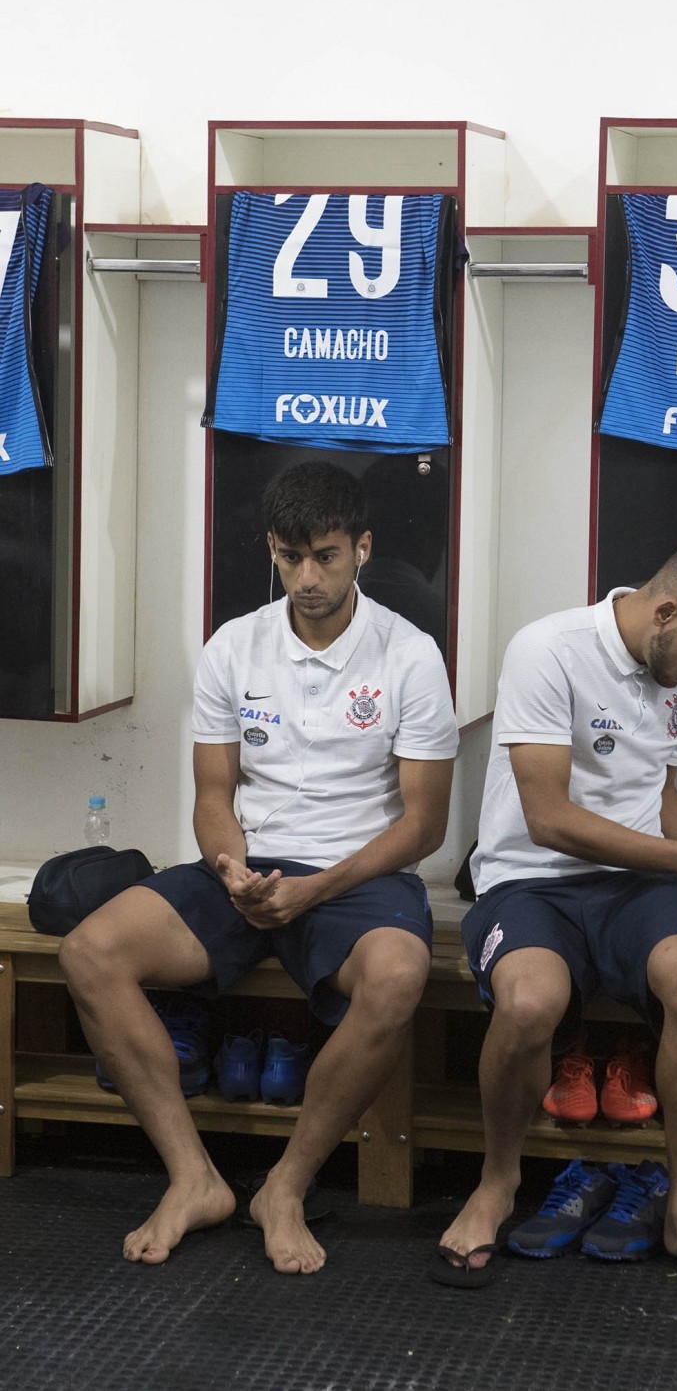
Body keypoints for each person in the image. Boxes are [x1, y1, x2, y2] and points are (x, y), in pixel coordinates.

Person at [60, 460, 458, 1275]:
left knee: (398, 974)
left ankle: (285, 1186)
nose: (307, 578)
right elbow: (213, 794)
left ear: (363, 549)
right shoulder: (233, 646)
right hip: (248, 868)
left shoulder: (410, 656)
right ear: (271, 551)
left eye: (326, 556)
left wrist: (319, 886)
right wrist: (231, 866)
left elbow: (424, 825)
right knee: (88, 951)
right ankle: (192, 1179)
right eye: (289, 557)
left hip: (358, 875)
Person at [432, 538, 677, 1303]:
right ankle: (496, 1183)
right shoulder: (547, 650)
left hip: (637, 886)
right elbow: (547, 819)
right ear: (665, 611)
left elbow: (656, 792)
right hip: (530, 881)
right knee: (527, 1003)